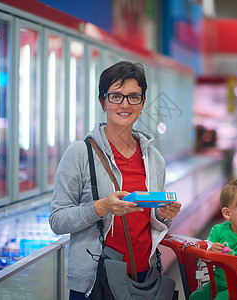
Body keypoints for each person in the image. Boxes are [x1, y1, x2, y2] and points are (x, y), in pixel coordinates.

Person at [49, 61, 182, 299]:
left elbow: (149, 221)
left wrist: (163, 215)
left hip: (143, 277)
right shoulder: (80, 153)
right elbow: (57, 220)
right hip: (95, 281)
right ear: (102, 102)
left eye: (133, 97)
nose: (124, 105)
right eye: (116, 96)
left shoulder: (154, 159)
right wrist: (101, 207)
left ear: (142, 104)